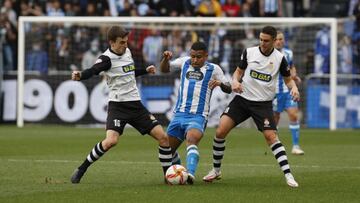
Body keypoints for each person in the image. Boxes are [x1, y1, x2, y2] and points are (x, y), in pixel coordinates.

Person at [70, 26, 172, 184]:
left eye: (126, 41)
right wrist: (80, 75)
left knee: (163, 138)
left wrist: (144, 70)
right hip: (118, 106)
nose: (125, 45)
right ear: (111, 42)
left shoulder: (127, 51)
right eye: (122, 42)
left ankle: (168, 177)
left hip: (136, 106)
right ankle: (82, 169)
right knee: (111, 141)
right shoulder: (106, 59)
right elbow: (93, 70)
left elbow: (128, 72)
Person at [202, 26, 300, 187]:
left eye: (266, 40)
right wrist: (234, 81)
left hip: (263, 104)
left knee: (271, 137)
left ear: (274, 41)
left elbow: (288, 80)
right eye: (261, 39)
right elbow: (238, 72)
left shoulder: (280, 58)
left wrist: (294, 88)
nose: (262, 43)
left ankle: (288, 175)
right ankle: (216, 170)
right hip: (242, 100)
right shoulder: (249, 52)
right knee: (220, 131)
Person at [160, 41, 231, 184]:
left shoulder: (214, 69)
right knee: (167, 150)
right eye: (193, 56)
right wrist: (166, 59)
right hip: (179, 114)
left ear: (206, 56)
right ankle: (177, 172)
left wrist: (220, 84)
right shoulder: (184, 62)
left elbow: (229, 88)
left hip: (198, 116)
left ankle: (190, 174)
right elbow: (164, 69)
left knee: (191, 139)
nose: (195, 60)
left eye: (198, 57)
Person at [273, 31, 304, 155]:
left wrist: (294, 75)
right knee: (275, 119)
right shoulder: (269, 55)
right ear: (273, 41)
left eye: (281, 39)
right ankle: (276, 145)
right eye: (277, 39)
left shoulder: (288, 53)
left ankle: (296, 146)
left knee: (293, 115)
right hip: (274, 92)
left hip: (288, 90)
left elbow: (291, 67)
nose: (279, 41)